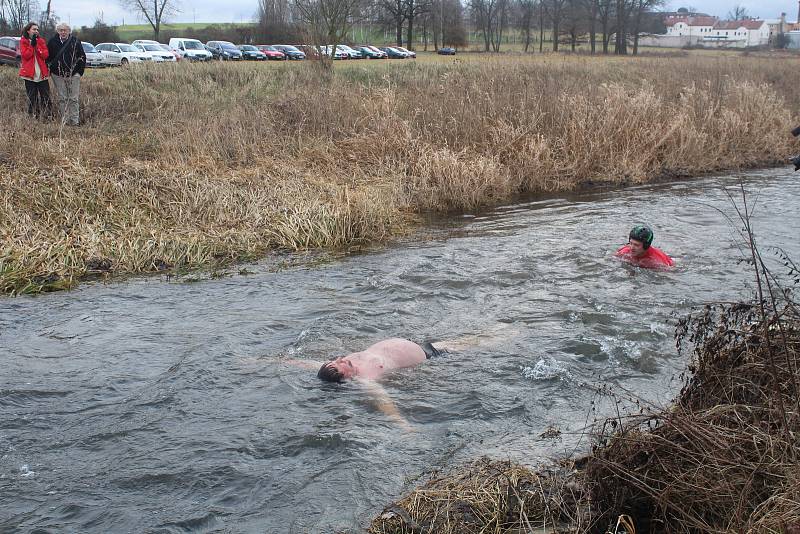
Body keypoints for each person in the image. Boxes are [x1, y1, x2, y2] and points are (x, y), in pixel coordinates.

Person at [47, 22, 85, 126]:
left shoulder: (75, 41)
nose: (63, 32)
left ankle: (75, 121)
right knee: (62, 98)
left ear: (69, 31)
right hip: (57, 75)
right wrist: (51, 70)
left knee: (73, 99)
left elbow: (82, 57)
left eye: (65, 30)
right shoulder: (52, 42)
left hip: (73, 75)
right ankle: (66, 121)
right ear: (58, 31)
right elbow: (48, 57)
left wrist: (79, 73)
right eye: (61, 30)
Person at [18, 22, 52, 118]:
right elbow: (26, 55)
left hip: (42, 74)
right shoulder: (23, 41)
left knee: (46, 96)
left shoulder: (41, 41)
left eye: (37, 29)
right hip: (29, 75)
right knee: (32, 97)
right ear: (28, 30)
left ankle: (48, 115)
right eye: (34, 29)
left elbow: (45, 55)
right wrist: (31, 45)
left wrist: (36, 45)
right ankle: (34, 116)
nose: (36, 31)